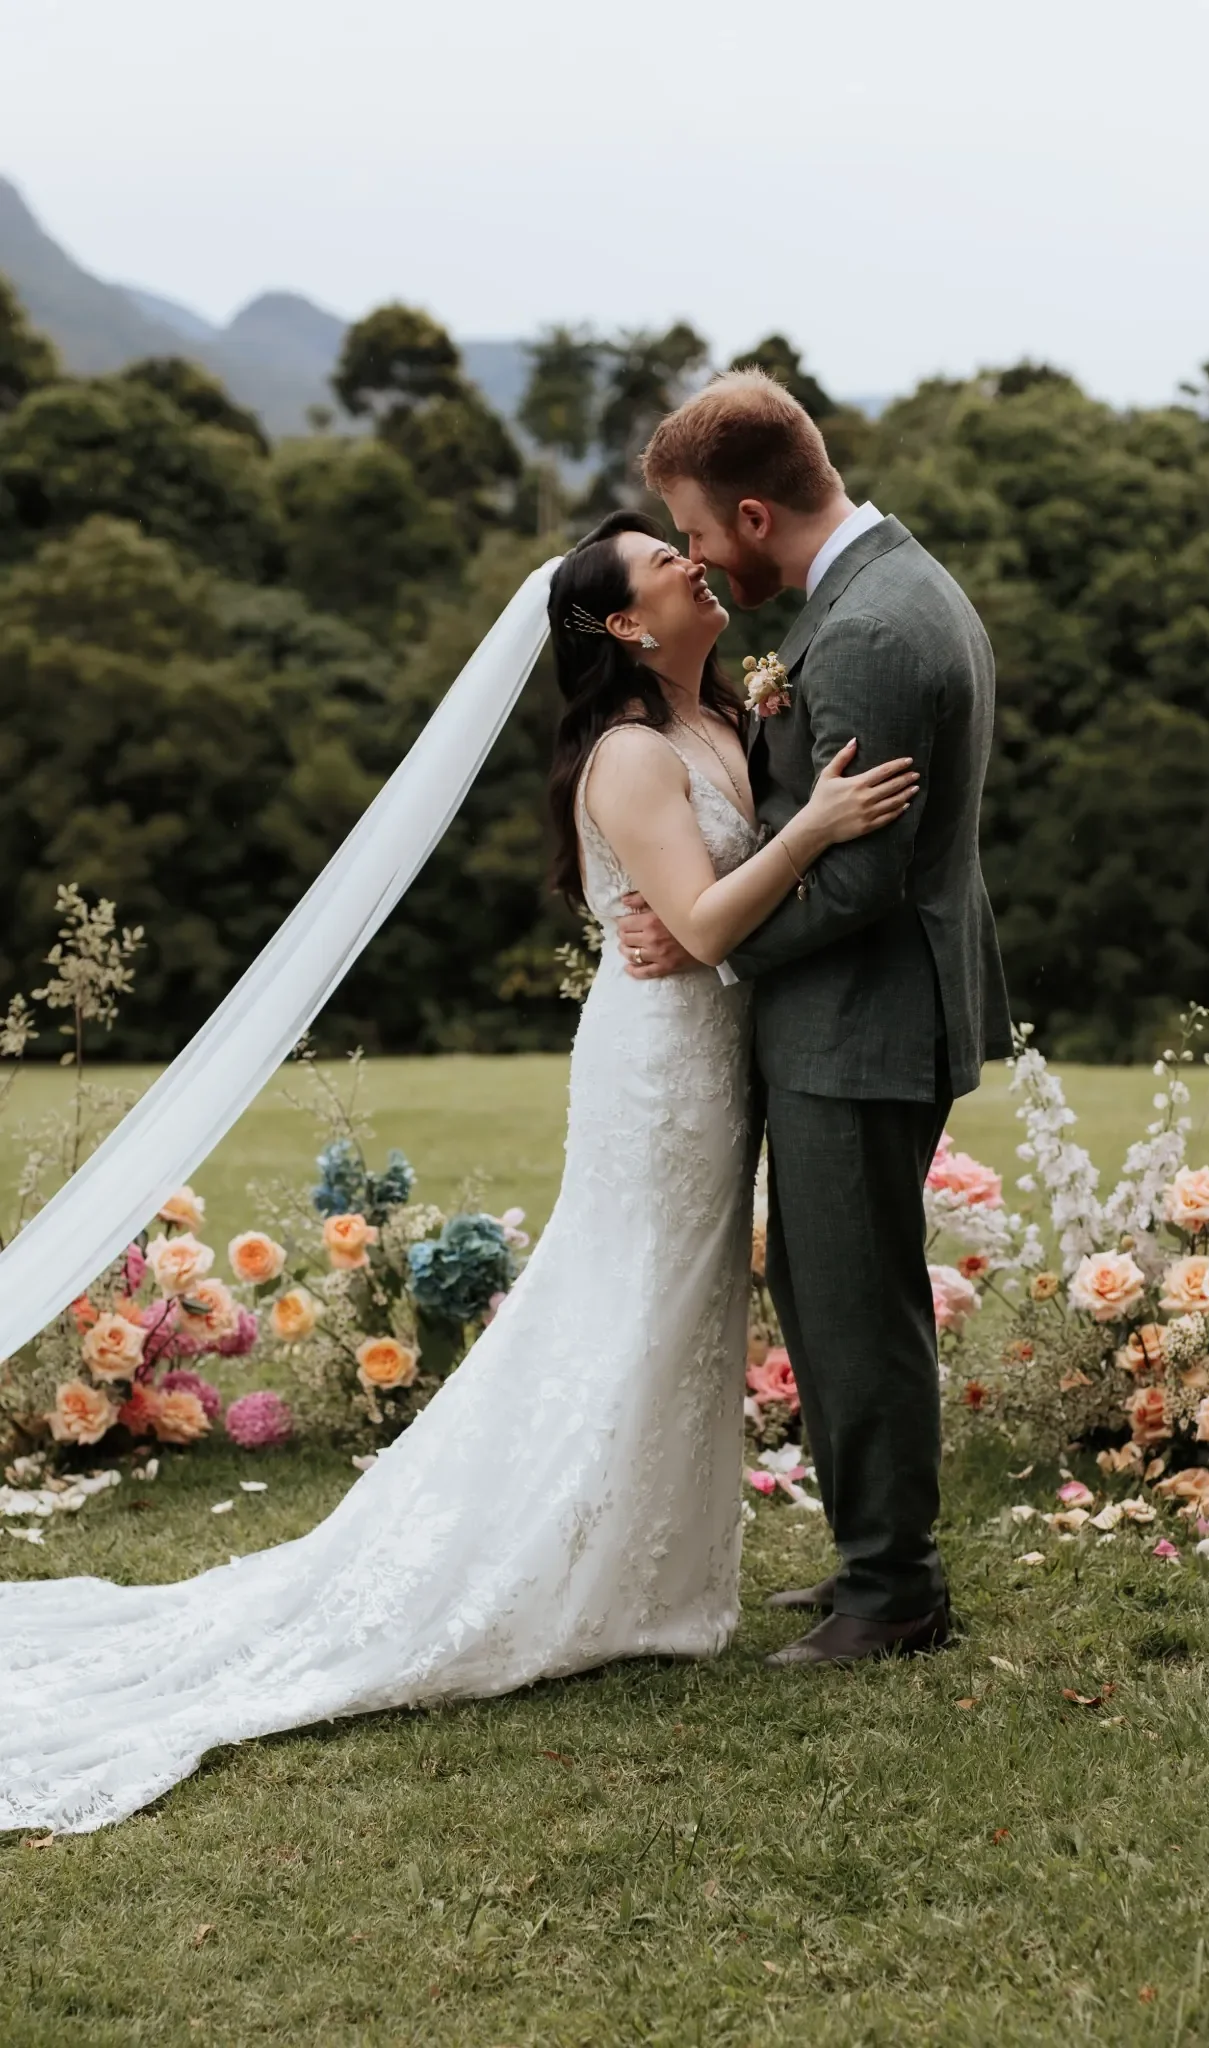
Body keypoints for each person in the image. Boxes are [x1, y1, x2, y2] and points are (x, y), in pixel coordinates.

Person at [0, 509, 913, 1836]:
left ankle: (641, 1570)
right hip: (661, 1069)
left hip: (718, 1057)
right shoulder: (629, 752)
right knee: (626, 1305)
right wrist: (818, 826)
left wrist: (773, 835)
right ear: (622, 623)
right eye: (664, 562)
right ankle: (552, 1563)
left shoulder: (725, 713)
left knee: (674, 1313)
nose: (693, 563)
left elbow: (712, 907)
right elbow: (708, 922)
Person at [623, 368, 1013, 1667]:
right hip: (859, 1017)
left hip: (863, 1020)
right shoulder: (877, 593)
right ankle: (870, 1560)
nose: (691, 557)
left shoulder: (872, 633)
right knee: (830, 1287)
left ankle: (893, 1592)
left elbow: (860, 877)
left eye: (693, 529)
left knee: (855, 1304)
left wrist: (706, 938)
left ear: (752, 513)